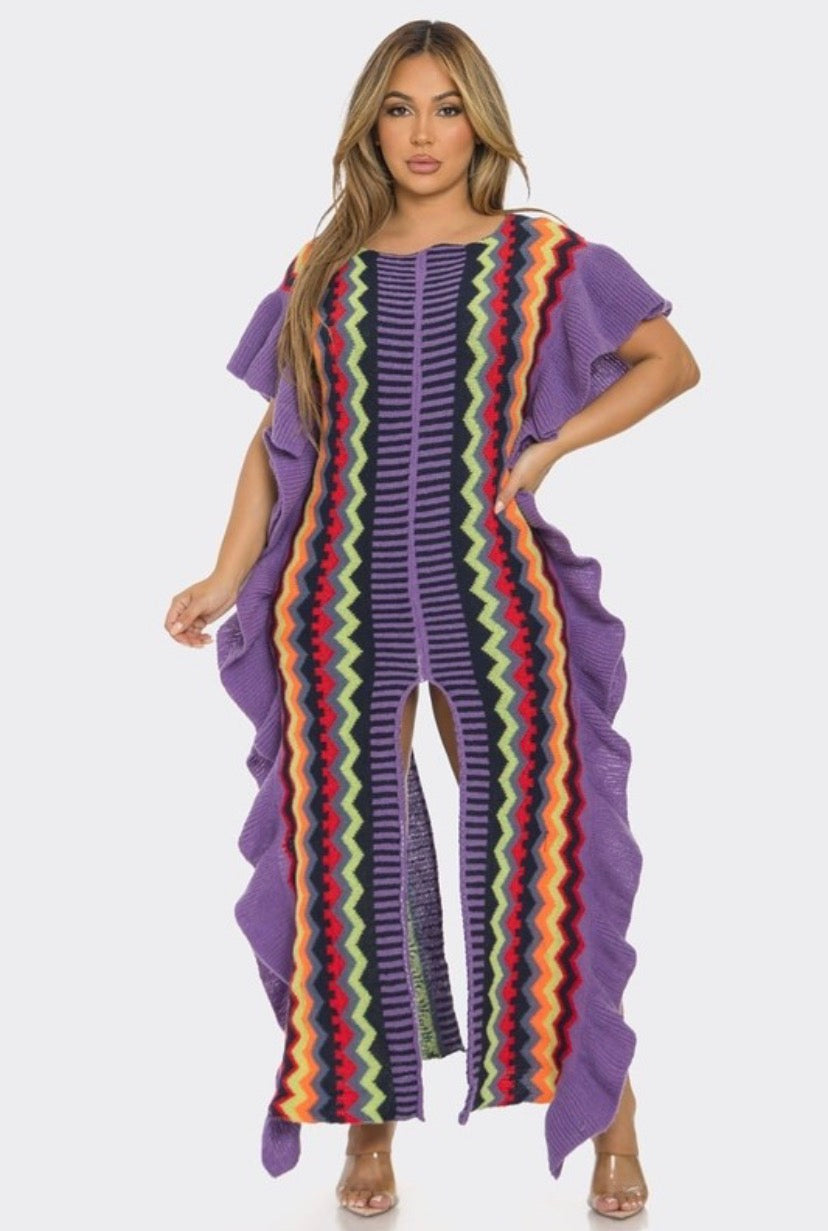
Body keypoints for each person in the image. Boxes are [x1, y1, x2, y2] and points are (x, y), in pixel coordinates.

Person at [164, 18, 699, 1221]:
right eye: (399, 108)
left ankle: (610, 1111)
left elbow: (669, 361)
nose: (422, 133)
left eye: (446, 108)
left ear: (481, 124)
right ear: (369, 126)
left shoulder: (541, 258)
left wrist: (549, 449)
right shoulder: (323, 269)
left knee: (550, 843)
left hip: (489, 581)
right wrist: (224, 572)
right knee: (349, 855)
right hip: (332, 591)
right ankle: (371, 1123)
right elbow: (277, 437)